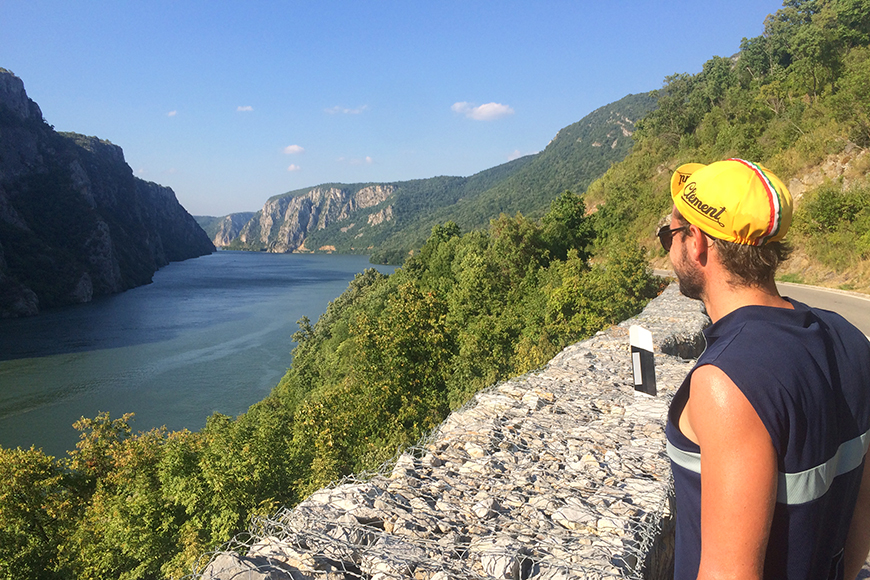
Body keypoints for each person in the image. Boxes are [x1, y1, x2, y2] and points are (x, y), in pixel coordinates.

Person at [660, 158, 870, 579]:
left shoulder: (726, 380)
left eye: (670, 234)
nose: (667, 245)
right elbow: (861, 508)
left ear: (697, 243)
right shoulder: (851, 339)